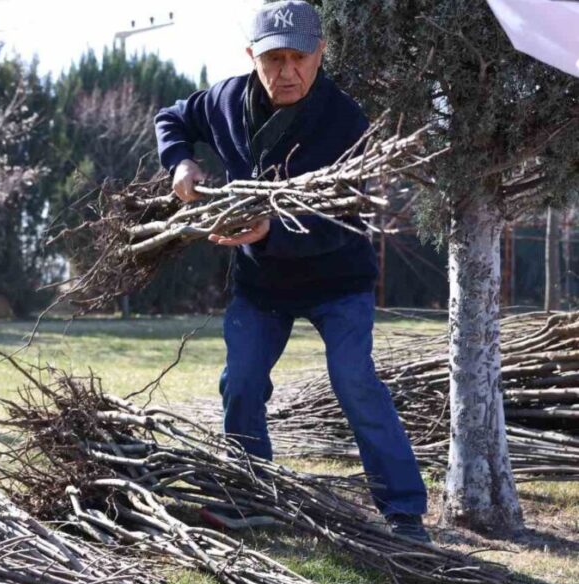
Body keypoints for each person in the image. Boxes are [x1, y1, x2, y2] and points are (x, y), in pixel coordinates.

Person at [154, 0, 430, 542]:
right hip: (262, 284)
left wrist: (271, 232)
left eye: (299, 57)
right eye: (273, 59)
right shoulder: (227, 100)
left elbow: (346, 217)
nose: (287, 72)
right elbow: (174, 117)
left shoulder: (344, 119)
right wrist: (179, 161)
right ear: (251, 57)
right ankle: (252, 494)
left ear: (320, 53)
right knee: (242, 382)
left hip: (337, 279)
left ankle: (403, 513)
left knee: (354, 382)